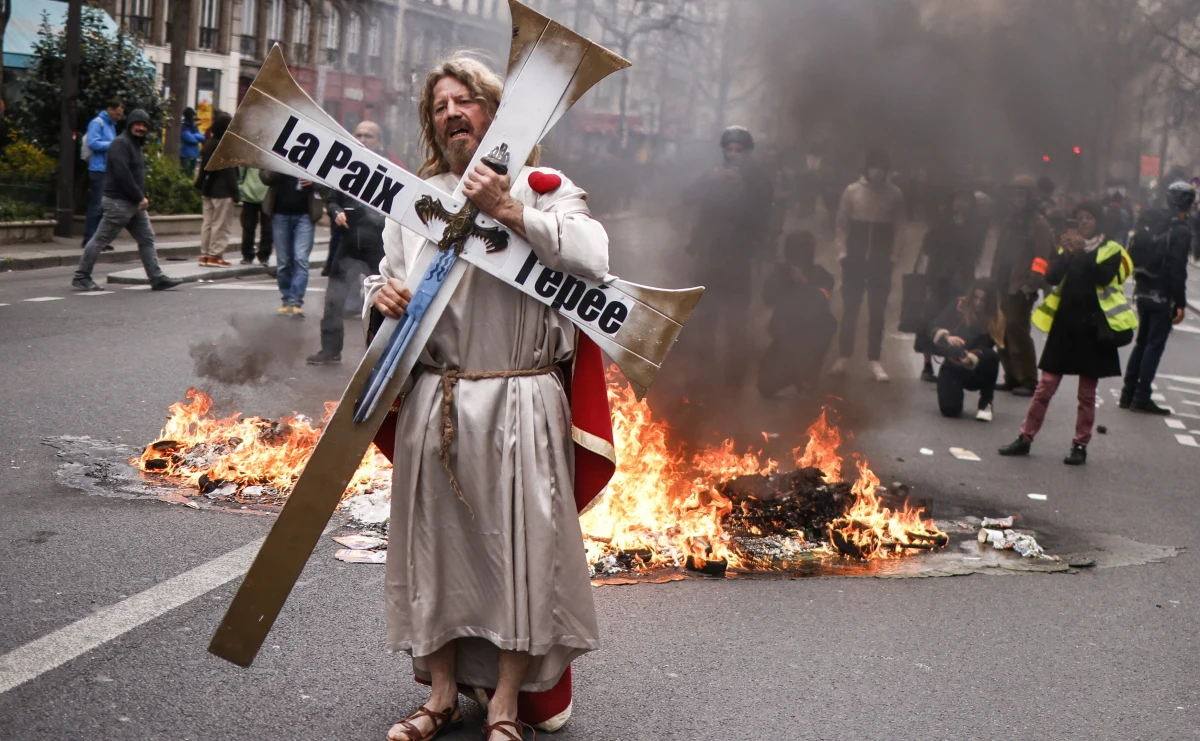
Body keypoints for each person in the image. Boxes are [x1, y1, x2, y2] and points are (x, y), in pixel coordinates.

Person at [362, 55, 607, 741]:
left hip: (521, 397)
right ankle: (440, 696)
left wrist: (507, 209)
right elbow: (387, 280)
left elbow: (593, 257)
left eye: (464, 99)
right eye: (439, 106)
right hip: (436, 395)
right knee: (434, 553)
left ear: (497, 112)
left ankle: (504, 704)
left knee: (520, 556)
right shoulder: (415, 202)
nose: (451, 114)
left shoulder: (543, 189)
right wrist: (381, 298)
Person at [999, 202, 1137, 466]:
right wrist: (1066, 254)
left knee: (1086, 395)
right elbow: (1052, 277)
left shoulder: (1111, 249)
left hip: (1093, 330)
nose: (1083, 222)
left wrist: (1081, 252)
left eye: (1088, 218)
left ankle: (1079, 445)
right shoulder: (1069, 249)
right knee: (1045, 387)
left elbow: (1102, 276)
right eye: (1079, 218)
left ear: (1098, 222)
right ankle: (1025, 437)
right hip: (1065, 327)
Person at [681, 125, 774, 388]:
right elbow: (686, 197)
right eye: (729, 149)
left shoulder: (758, 181)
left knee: (736, 320)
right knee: (704, 318)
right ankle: (704, 372)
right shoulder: (713, 174)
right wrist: (710, 181)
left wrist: (742, 187)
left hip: (738, 259)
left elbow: (763, 218)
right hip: (709, 257)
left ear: (747, 152)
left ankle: (734, 377)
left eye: (739, 150)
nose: (734, 154)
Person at [71, 109, 182, 292]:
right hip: (118, 203)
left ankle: (156, 278)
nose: (141, 128)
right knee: (100, 240)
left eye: (144, 125)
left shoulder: (134, 144)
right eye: (137, 124)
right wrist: (140, 197)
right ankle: (82, 276)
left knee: (146, 238)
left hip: (132, 204)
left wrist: (138, 198)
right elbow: (123, 175)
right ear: (130, 125)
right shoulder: (120, 144)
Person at [307, 121, 388, 365]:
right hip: (348, 244)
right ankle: (330, 350)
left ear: (379, 142)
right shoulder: (344, 169)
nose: (362, 139)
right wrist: (336, 211)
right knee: (334, 299)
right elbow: (332, 200)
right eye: (359, 134)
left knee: (383, 300)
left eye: (368, 136)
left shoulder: (388, 171)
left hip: (377, 246)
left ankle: (382, 352)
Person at [830, 149, 905, 382]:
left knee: (877, 311)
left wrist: (893, 257)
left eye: (881, 168)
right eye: (874, 167)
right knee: (850, 309)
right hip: (855, 258)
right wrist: (842, 253)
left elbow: (899, 229)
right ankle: (844, 356)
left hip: (880, 261)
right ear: (867, 168)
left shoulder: (895, 194)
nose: (877, 172)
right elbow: (841, 224)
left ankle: (875, 359)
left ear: (886, 170)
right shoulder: (852, 191)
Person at [1120, 181, 1193, 414]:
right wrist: (1179, 302)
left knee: (1141, 342)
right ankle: (1142, 397)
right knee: (1154, 344)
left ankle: (1127, 393)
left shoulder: (1152, 221)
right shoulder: (1181, 231)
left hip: (1142, 287)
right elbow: (1177, 270)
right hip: (1162, 293)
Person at [990, 175, 1054, 397]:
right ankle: (1011, 376)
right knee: (1001, 331)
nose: (1017, 200)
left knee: (1018, 331)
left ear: (1030, 198)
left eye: (1021, 195)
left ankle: (1027, 379)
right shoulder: (1010, 222)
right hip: (1003, 284)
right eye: (1014, 195)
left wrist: (1030, 285)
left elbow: (1042, 259)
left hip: (1021, 287)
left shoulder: (1039, 225)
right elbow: (999, 253)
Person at [915, 190, 987, 382]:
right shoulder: (941, 220)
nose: (961, 203)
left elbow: (976, 250)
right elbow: (928, 246)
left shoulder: (975, 225)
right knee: (930, 318)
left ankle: (954, 360)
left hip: (962, 279)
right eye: (958, 199)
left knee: (958, 318)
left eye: (965, 200)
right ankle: (927, 364)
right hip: (937, 277)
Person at [758, 231, 836, 398]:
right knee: (765, 386)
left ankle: (807, 373)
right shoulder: (781, 274)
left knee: (826, 325)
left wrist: (804, 283)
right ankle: (795, 373)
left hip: (811, 337)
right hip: (786, 335)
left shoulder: (822, 275)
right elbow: (767, 299)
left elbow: (821, 301)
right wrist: (779, 279)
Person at [929, 279, 1002, 421]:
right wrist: (947, 337)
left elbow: (988, 346)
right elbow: (934, 326)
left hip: (977, 366)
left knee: (992, 357)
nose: (978, 303)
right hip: (953, 364)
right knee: (950, 410)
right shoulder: (959, 305)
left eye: (983, 300)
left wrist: (971, 357)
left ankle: (986, 403)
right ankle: (955, 394)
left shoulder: (996, 317)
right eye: (976, 297)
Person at [260, 169, 324, 316]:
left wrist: (314, 182)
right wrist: (277, 168)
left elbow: (328, 184)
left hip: (305, 215)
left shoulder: (314, 158)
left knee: (301, 258)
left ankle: (295, 301)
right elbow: (264, 178)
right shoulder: (277, 158)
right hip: (280, 213)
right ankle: (287, 298)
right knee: (283, 261)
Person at [195, 111, 238, 267]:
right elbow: (230, 172)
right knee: (221, 224)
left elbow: (203, 169)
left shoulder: (209, 144)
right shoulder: (225, 147)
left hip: (207, 189)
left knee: (207, 224)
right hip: (223, 191)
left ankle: (204, 255)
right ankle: (215, 255)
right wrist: (236, 193)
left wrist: (198, 184)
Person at [82, 100, 124, 247]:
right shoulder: (97, 123)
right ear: (109, 109)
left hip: (107, 170)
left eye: (121, 115)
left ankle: (100, 239)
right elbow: (93, 143)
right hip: (98, 169)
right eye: (117, 114)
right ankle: (89, 239)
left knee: (104, 207)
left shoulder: (111, 125)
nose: (119, 117)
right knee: (96, 206)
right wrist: (113, 144)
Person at [237, 168, 273, 265]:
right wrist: (241, 188)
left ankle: (264, 256)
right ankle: (247, 255)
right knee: (248, 227)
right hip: (249, 195)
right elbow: (241, 172)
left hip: (268, 196)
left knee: (268, 228)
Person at [179, 107, 205, 176]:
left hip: (195, 155)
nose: (194, 117)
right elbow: (190, 139)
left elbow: (203, 137)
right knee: (185, 175)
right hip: (186, 156)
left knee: (191, 175)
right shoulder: (184, 126)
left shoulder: (194, 126)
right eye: (193, 115)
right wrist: (197, 137)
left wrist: (194, 135)